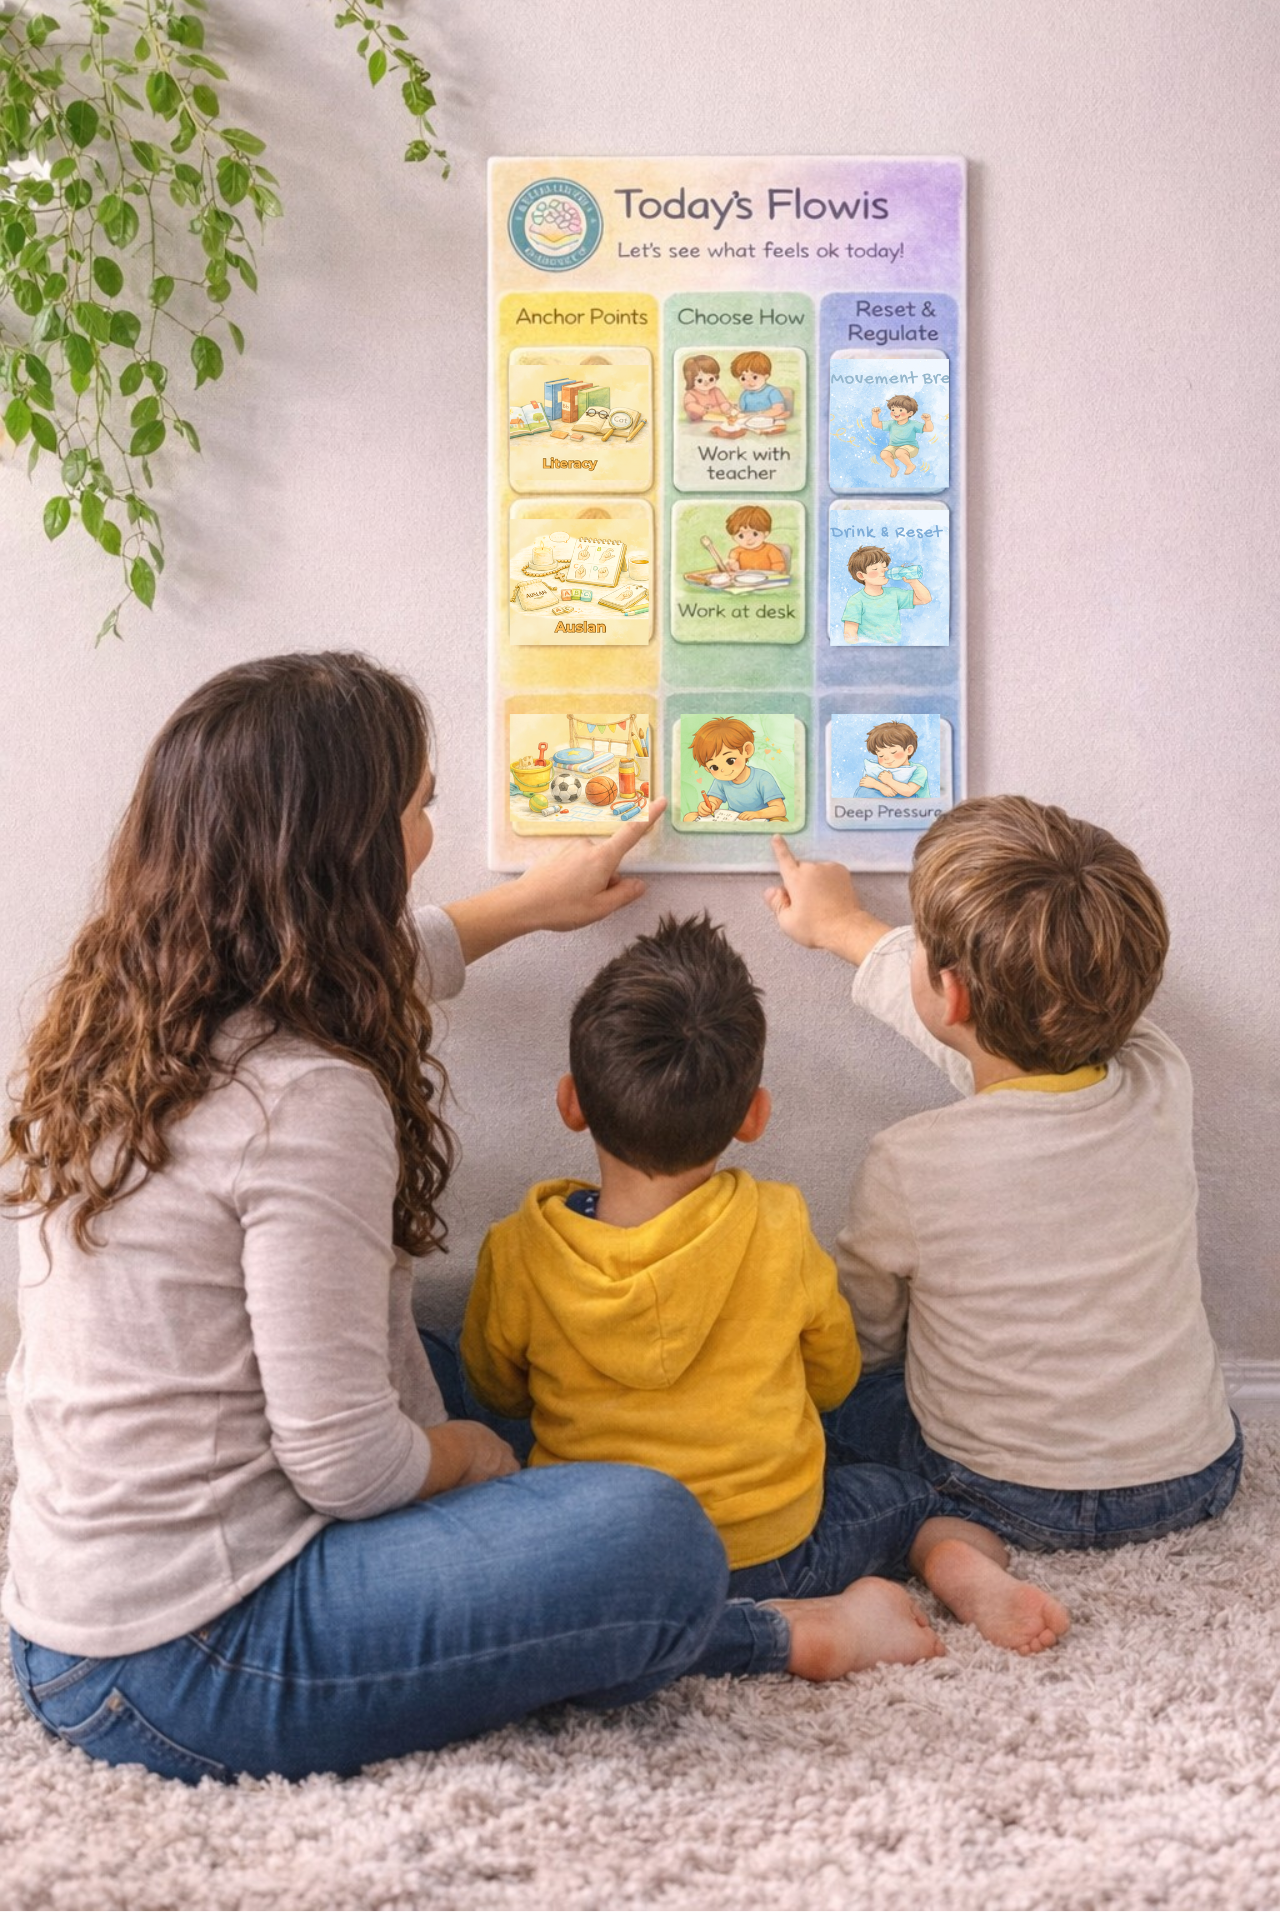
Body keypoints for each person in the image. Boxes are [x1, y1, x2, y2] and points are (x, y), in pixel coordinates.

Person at [3, 652, 735, 1787]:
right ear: (348, 849)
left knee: (440, 1354)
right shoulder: (303, 1096)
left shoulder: (124, 1017)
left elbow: (389, 961)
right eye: (422, 804)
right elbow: (345, 1465)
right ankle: (762, 1632)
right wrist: (475, 1457)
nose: (431, 829)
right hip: (188, 1656)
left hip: (64, 1608)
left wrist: (532, 906)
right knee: (653, 1534)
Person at [458, 913, 1068, 1673]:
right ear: (753, 1117)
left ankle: (735, 1633)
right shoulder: (779, 1224)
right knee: (910, 1496)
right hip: (782, 1550)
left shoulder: (518, 1250)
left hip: (608, 1561)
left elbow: (497, 1392)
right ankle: (955, 1563)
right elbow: (836, 1377)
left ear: (571, 1102)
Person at [764, 799, 1242, 1555]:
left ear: (950, 994)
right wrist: (848, 930)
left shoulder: (911, 1161)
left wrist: (840, 927)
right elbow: (1014, 1033)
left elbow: (870, 1338)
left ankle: (931, 1535)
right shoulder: (1161, 1075)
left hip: (1003, 1494)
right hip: (1193, 1475)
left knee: (836, 1392)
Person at [682, 716, 787, 824]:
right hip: (735, 821)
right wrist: (707, 807)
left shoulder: (763, 778)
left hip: (763, 820)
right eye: (714, 767)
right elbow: (714, 801)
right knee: (689, 817)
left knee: (779, 822)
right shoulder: (720, 781)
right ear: (707, 769)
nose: (723, 770)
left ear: (747, 750)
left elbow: (780, 809)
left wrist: (757, 814)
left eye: (730, 760)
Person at [842, 544, 931, 644]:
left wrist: (913, 582)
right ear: (861, 575)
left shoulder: (894, 594)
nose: (884, 571)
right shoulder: (856, 601)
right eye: (875, 569)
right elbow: (850, 634)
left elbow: (925, 599)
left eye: (885, 566)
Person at [858, 721, 930, 799]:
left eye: (893, 752)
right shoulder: (879, 769)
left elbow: (909, 791)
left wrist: (889, 781)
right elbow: (865, 782)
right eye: (881, 755)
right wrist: (879, 786)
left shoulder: (919, 770)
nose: (886, 758)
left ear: (909, 750)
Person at [870, 394, 933, 476]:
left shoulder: (913, 424)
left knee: (900, 452)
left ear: (910, 413)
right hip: (894, 446)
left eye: (900, 410)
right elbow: (876, 424)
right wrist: (875, 414)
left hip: (911, 447)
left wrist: (927, 421)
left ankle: (910, 465)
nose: (895, 412)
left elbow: (929, 429)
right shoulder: (891, 424)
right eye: (893, 410)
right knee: (884, 454)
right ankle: (894, 467)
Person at [724, 505, 788, 575]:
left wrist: (773, 573)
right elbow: (730, 567)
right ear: (733, 537)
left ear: (766, 533)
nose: (748, 539)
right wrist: (732, 566)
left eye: (755, 534)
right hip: (744, 580)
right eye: (741, 536)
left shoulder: (771, 549)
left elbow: (779, 565)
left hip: (766, 581)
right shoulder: (736, 552)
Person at [731, 351, 790, 419]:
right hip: (748, 422)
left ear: (766, 376)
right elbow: (741, 409)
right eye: (743, 378)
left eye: (754, 377)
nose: (749, 382)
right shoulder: (745, 394)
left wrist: (758, 415)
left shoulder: (772, 392)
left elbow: (779, 409)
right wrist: (735, 410)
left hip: (767, 421)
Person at [682, 354, 731, 421]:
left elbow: (724, 403)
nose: (706, 383)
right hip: (697, 423)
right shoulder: (690, 394)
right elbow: (690, 406)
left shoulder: (716, 391)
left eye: (711, 379)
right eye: (700, 380)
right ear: (691, 380)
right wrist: (707, 410)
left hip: (717, 420)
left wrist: (725, 408)